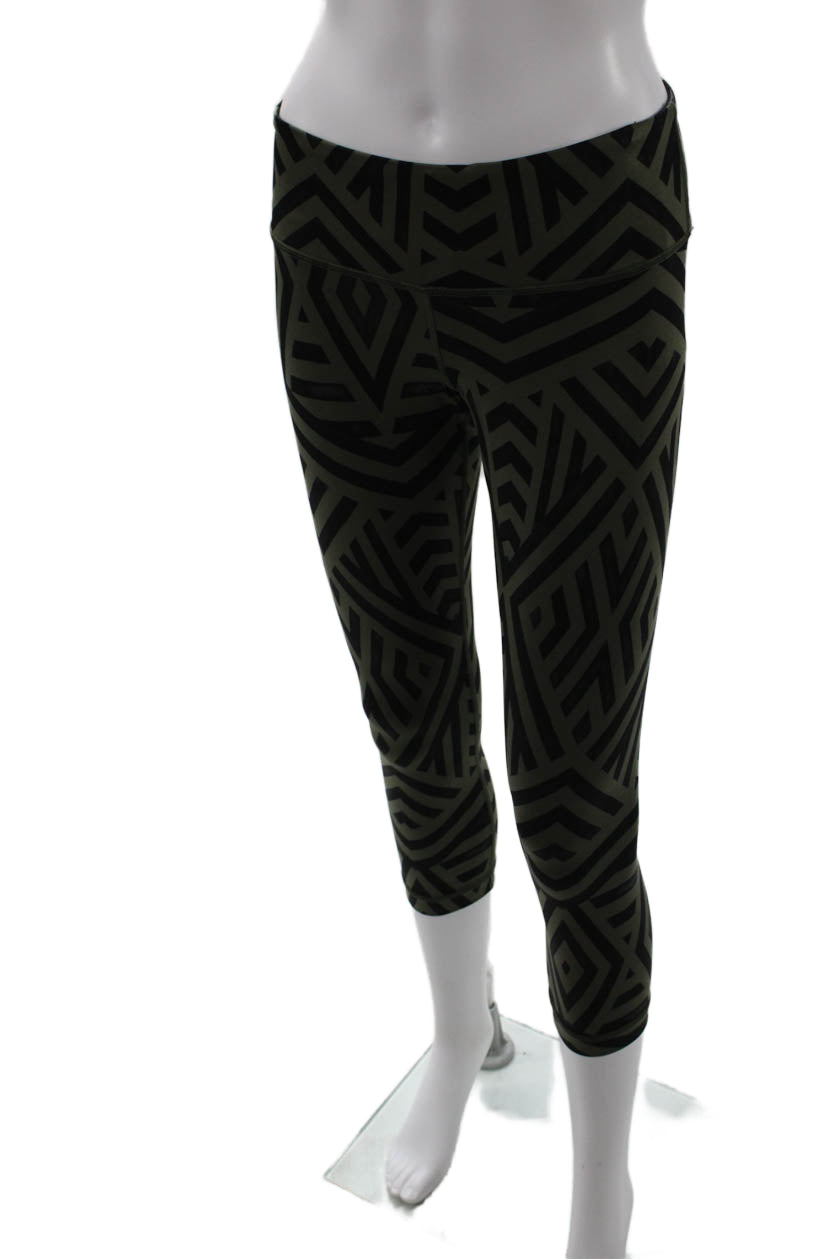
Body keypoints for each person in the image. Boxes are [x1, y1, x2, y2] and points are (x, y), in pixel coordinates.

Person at [270, 4, 693, 1254]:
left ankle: (600, 1187)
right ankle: (463, 1033)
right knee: (409, 713)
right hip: (338, 202)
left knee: (576, 779)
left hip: (579, 219)